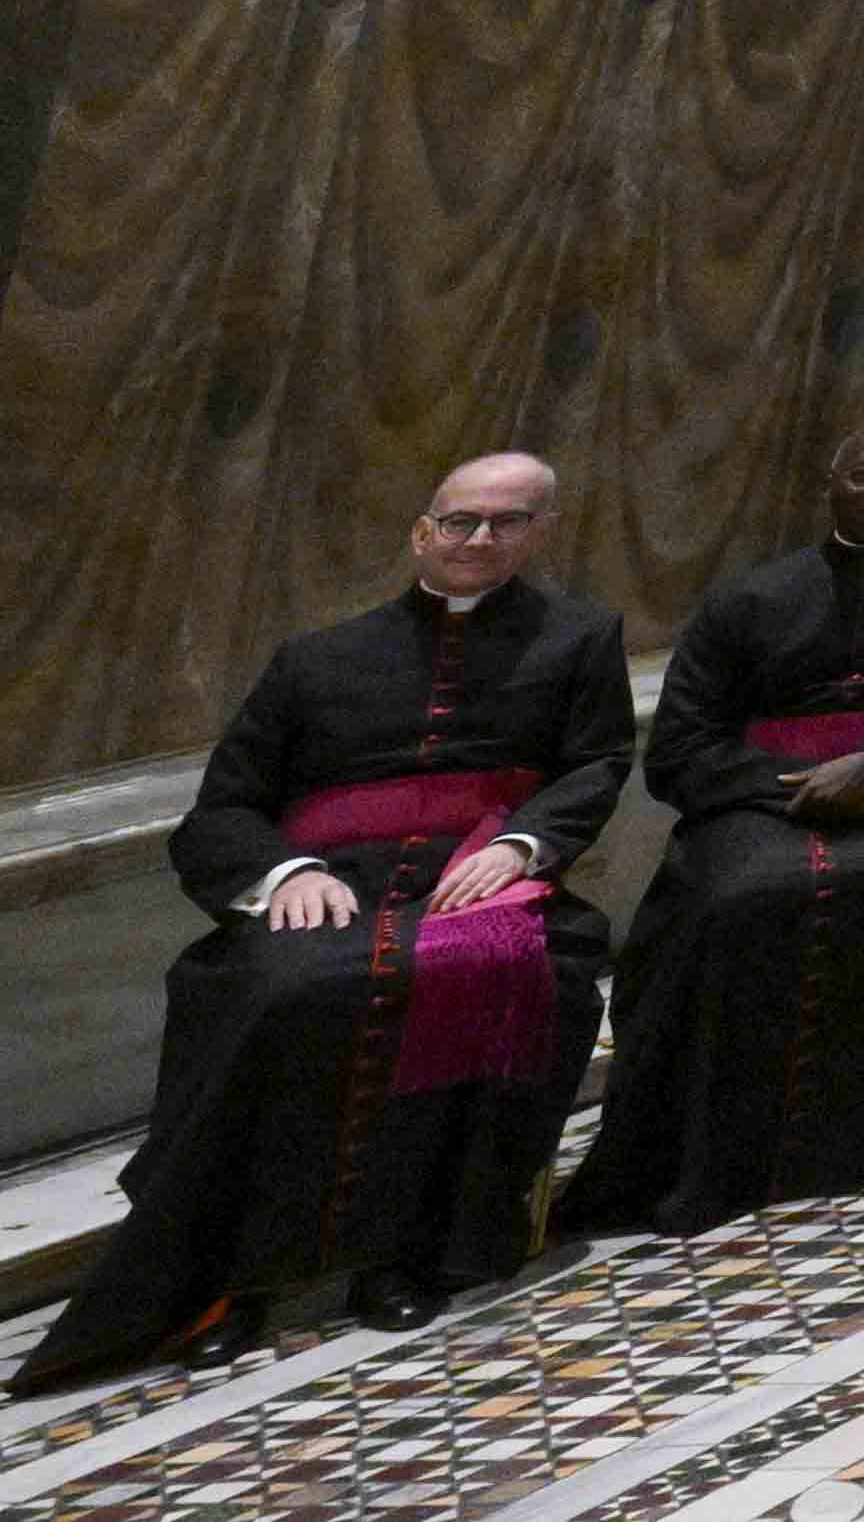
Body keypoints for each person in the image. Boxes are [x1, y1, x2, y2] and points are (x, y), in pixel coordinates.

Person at [25, 455, 634, 1385]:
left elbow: (594, 765)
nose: (480, 537)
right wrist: (284, 870)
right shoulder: (313, 659)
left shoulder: (579, 639)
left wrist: (523, 845)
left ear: (539, 531)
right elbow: (223, 807)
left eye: (507, 521)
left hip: (478, 879)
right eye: (460, 520)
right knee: (282, 989)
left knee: (500, 975)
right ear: (421, 531)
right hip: (331, 885)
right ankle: (234, 1275)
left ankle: (412, 1250)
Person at [563, 420, 864, 1242]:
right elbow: (678, 751)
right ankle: (722, 1155)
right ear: (831, 481)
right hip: (765, 799)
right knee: (738, 897)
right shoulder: (749, 597)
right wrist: (803, 786)